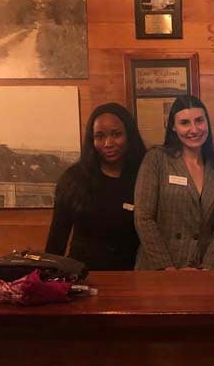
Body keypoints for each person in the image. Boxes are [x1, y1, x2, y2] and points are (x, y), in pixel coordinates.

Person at [45, 102, 146, 270]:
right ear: (92, 140)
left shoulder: (146, 176)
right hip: (84, 275)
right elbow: (57, 238)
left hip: (135, 275)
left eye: (116, 134)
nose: (108, 143)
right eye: (100, 136)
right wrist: (46, 280)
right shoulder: (74, 178)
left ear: (130, 135)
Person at [134, 95, 214, 270]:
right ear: (173, 127)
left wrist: (207, 267)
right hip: (159, 270)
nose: (194, 129)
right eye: (185, 123)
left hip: (200, 271)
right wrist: (167, 267)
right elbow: (143, 217)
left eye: (199, 120)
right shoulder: (156, 159)